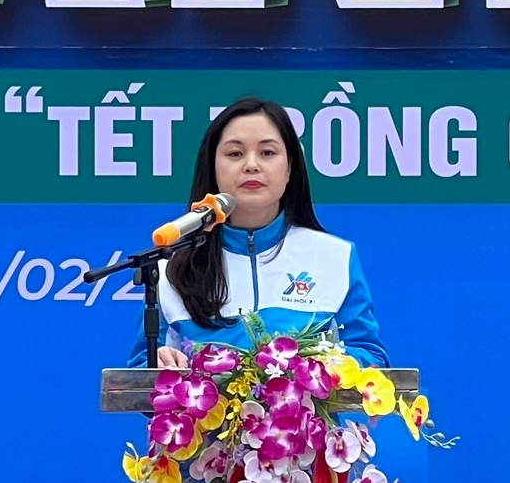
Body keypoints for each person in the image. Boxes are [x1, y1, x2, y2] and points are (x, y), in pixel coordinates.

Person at [126, 96, 390, 370]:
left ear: (289, 168)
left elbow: (372, 358)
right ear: (213, 168)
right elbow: (139, 374)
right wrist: (158, 364)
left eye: (267, 153)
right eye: (235, 154)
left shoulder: (334, 257)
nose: (251, 165)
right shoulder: (172, 268)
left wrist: (320, 370)